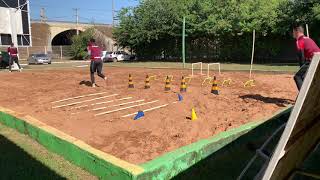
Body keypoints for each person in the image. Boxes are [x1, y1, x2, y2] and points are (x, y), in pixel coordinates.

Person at [292, 25, 320, 90]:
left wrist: (301, 67)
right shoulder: (307, 38)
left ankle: (303, 98)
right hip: (316, 58)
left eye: (293, 32)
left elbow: (301, 56)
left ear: (297, 31)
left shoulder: (299, 40)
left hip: (314, 60)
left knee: (298, 77)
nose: (293, 33)